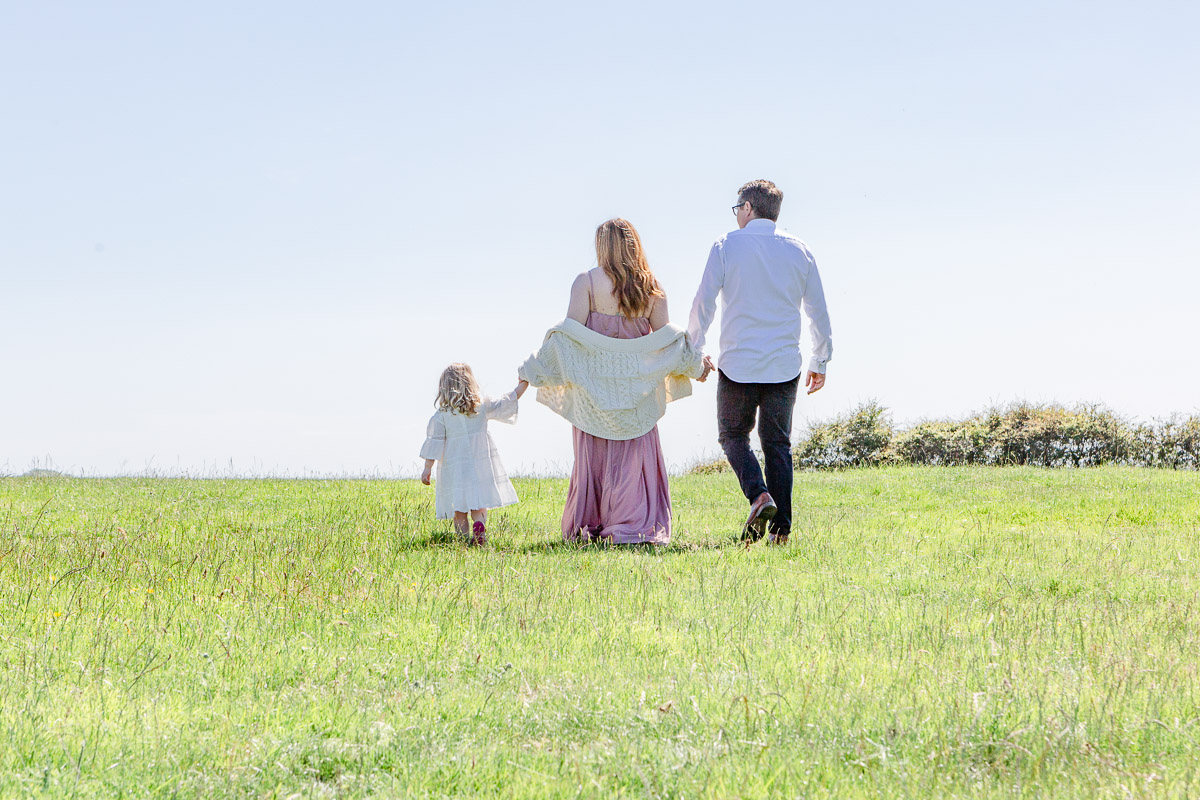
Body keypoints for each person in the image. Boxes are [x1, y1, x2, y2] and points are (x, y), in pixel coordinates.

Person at [519, 218, 712, 544]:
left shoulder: (586, 283)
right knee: (631, 463)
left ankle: (591, 526)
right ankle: (630, 526)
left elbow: (567, 342)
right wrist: (696, 365)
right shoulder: (651, 288)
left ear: (601, 246)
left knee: (593, 461)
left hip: (592, 398)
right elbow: (666, 345)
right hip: (637, 396)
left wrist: (532, 369)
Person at [687, 180, 833, 545]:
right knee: (777, 444)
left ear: (748, 207)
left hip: (738, 363)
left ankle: (759, 496)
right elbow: (818, 310)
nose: (736, 214)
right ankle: (780, 533)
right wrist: (821, 358)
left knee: (733, 435)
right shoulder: (800, 251)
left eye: (738, 208)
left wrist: (691, 351)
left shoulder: (725, 246)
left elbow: (703, 304)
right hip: (784, 365)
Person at [420, 363, 528, 545]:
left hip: (455, 468)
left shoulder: (443, 414)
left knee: (459, 508)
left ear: (444, 387)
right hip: (480, 464)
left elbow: (434, 442)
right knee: (479, 503)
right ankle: (479, 526)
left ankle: (463, 541)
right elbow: (509, 400)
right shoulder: (481, 406)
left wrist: (427, 468)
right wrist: (524, 382)